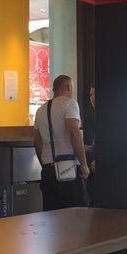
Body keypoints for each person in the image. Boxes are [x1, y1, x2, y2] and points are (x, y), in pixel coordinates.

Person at [33, 74, 89, 210]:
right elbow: (74, 132)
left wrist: (45, 164)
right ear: (69, 87)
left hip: (48, 172)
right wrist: (83, 164)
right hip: (68, 171)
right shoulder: (69, 103)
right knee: (77, 215)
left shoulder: (40, 110)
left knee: (51, 217)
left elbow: (37, 141)